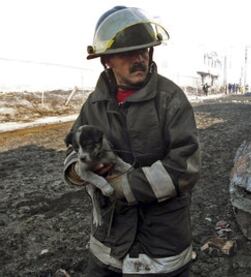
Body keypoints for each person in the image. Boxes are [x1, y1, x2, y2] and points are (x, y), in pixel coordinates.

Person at [63, 6, 200, 276]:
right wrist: (79, 170)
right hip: (109, 243)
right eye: (128, 53)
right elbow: (72, 150)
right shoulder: (94, 105)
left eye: (145, 50)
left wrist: (121, 185)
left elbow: (185, 168)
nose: (140, 58)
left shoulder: (171, 99)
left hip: (162, 246)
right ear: (107, 61)